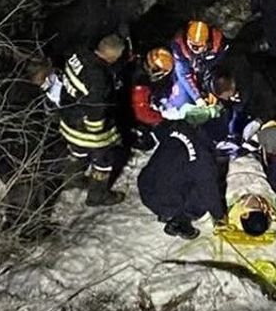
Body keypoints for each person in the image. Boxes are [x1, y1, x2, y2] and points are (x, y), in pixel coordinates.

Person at [57, 34, 128, 207]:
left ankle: (73, 178)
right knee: (103, 161)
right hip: (87, 130)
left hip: (68, 118)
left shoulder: (79, 54)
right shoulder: (99, 78)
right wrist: (98, 133)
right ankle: (98, 196)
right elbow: (96, 109)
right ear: (112, 56)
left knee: (77, 151)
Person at [137, 120, 228, 240]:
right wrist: (220, 216)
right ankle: (180, 221)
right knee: (203, 188)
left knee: (179, 168)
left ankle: (166, 212)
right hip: (163, 200)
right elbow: (210, 193)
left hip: (146, 186)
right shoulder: (204, 159)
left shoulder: (179, 129)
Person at [167, 20, 228, 111]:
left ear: (207, 42)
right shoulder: (179, 46)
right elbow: (183, 74)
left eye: (199, 46)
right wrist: (197, 98)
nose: (194, 49)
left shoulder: (218, 45)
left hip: (208, 73)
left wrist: (211, 90)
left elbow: (217, 67)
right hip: (190, 71)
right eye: (192, 44)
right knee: (180, 102)